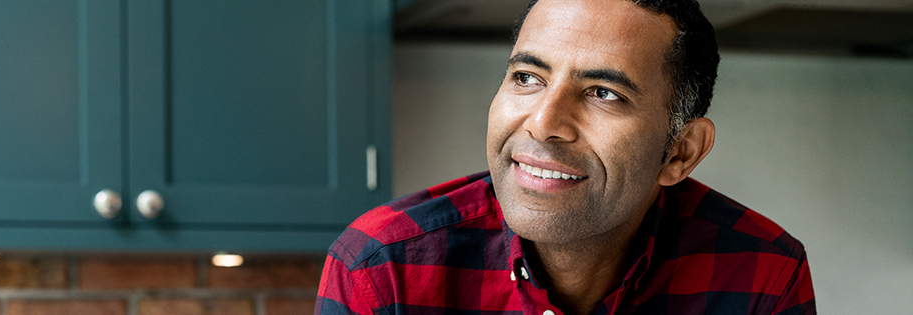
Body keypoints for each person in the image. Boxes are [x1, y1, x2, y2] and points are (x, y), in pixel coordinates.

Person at [315, 0, 815, 314]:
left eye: (603, 92)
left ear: (679, 152)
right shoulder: (382, 270)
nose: (543, 123)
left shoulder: (761, 273)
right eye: (527, 78)